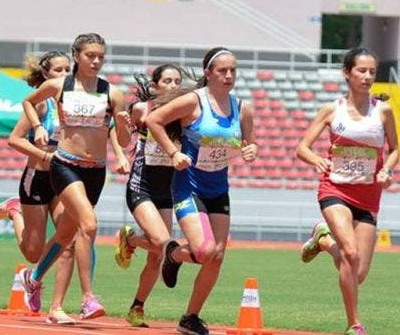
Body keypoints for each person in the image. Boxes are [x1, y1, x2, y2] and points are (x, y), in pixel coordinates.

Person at [16, 33, 131, 318]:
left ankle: (36, 282)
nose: (96, 61)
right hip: (65, 165)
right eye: (90, 55)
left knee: (66, 233)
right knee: (88, 226)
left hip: (95, 171)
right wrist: (38, 127)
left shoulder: (112, 93)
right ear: (77, 56)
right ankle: (88, 298)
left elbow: (125, 139)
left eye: (101, 57)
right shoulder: (59, 85)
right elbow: (29, 102)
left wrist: (123, 125)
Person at [145, 48, 257, 335]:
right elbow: (153, 120)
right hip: (188, 185)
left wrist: (250, 148)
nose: (229, 75)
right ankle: (173, 255)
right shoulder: (193, 102)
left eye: (233, 70)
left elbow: (250, 141)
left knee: (217, 256)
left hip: (218, 188)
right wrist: (173, 152)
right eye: (222, 70)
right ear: (208, 73)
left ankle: (190, 317)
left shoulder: (242, 108)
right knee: (205, 250)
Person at [295, 47, 399, 335]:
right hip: (335, 190)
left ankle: (323, 240)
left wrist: (386, 170)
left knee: (359, 273)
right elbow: (301, 148)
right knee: (351, 254)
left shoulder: (384, 111)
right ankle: (354, 324)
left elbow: (395, 149)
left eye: (371, 72)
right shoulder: (332, 110)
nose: (367, 77)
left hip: (368, 197)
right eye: (361, 71)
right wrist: (316, 159)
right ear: (347, 73)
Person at [0, 51, 98, 323]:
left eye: (68, 70)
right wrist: (46, 156)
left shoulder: (77, 104)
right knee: (33, 250)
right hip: (38, 178)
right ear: (46, 76)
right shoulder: (41, 105)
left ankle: (57, 307)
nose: (64, 75)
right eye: (58, 71)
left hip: (64, 178)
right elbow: (14, 140)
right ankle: (15, 211)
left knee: (69, 239)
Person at [113, 64, 184, 327]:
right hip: (141, 186)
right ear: (155, 86)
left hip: (167, 189)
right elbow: (121, 138)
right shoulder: (143, 109)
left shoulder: (187, 114)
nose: (173, 85)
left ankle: (137, 307)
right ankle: (131, 239)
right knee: (162, 242)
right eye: (167, 80)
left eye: (178, 80)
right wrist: (121, 130)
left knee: (158, 253)